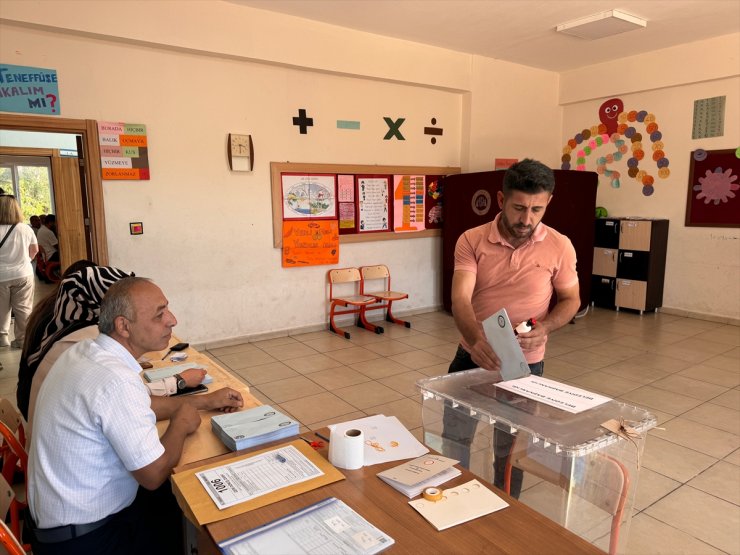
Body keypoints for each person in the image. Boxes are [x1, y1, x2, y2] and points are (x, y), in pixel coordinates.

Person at [27, 277, 244, 554]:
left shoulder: (86, 351)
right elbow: (153, 474)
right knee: (182, 502)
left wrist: (203, 401)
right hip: (84, 539)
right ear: (123, 326)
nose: (172, 320)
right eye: (159, 314)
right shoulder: (114, 379)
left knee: (172, 502)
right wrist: (180, 425)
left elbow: (140, 403)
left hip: (56, 522)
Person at [443, 158, 580, 498]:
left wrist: (546, 327)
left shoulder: (560, 245)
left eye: (537, 209)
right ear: (501, 201)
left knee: (511, 447)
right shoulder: (471, 240)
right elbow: (460, 299)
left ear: (548, 203)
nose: (527, 219)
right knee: (455, 436)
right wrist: (475, 341)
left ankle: (506, 505)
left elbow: (571, 300)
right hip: (471, 356)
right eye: (519, 208)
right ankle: (449, 496)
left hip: (525, 363)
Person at [18, 264, 207, 434]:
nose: (172, 320)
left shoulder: (60, 320)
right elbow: (127, 399)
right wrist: (180, 384)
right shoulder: (86, 340)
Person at [0, 193, 39, 349]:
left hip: (1, 276)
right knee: (23, 307)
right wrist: (24, 261)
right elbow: (34, 250)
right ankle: (22, 340)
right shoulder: (25, 229)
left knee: (1, 307)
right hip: (23, 273)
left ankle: (2, 337)